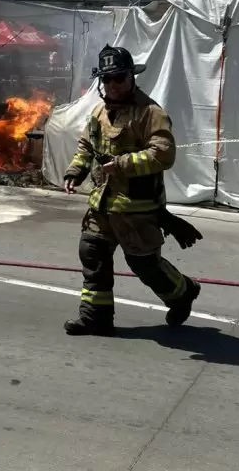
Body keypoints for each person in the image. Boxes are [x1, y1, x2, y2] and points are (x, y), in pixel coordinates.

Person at [62, 45, 201, 336]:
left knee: (144, 265)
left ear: (131, 78)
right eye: (108, 79)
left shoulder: (150, 113)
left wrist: (123, 164)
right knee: (92, 251)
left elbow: (163, 154)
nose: (113, 85)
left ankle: (182, 291)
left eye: (120, 78)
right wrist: (76, 171)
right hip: (103, 203)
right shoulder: (100, 111)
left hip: (137, 208)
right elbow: (87, 146)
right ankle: (95, 316)